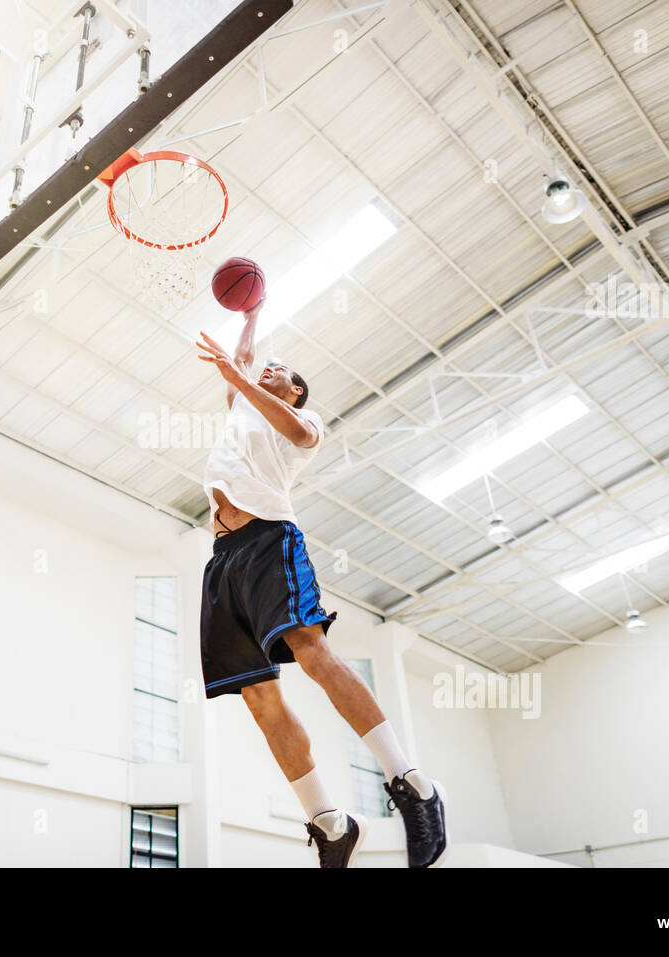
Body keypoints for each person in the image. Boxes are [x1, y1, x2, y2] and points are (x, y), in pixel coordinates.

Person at [195, 299, 446, 869]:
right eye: (264, 366)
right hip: (222, 559)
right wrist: (252, 315)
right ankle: (330, 822)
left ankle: (411, 783)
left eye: (280, 370)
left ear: (295, 391)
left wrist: (241, 377)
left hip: (268, 541)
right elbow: (243, 357)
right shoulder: (240, 407)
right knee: (259, 698)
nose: (267, 369)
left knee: (312, 652)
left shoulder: (302, 423)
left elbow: (295, 427)